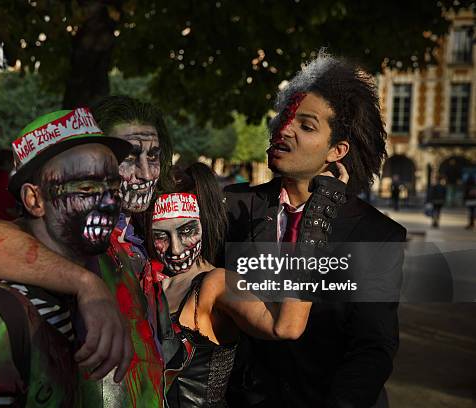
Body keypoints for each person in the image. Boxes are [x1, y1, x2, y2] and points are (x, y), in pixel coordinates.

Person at [0, 95, 177, 407]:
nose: (146, 172)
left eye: (154, 156)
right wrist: (87, 285)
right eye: (86, 188)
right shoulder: (80, 242)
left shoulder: (139, 242)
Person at [223, 53, 406, 408]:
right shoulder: (231, 207)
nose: (284, 129)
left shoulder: (375, 234)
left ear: (336, 151)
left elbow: (372, 349)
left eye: (306, 126)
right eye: (285, 118)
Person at [0, 108, 132, 405]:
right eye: (87, 187)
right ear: (34, 200)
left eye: (113, 186)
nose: (109, 202)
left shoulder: (110, 268)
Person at [152, 163, 311, 407]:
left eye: (187, 231)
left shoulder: (217, 283)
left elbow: (287, 327)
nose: (175, 248)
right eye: (161, 235)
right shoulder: (147, 280)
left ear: (203, 222)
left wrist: (314, 231)